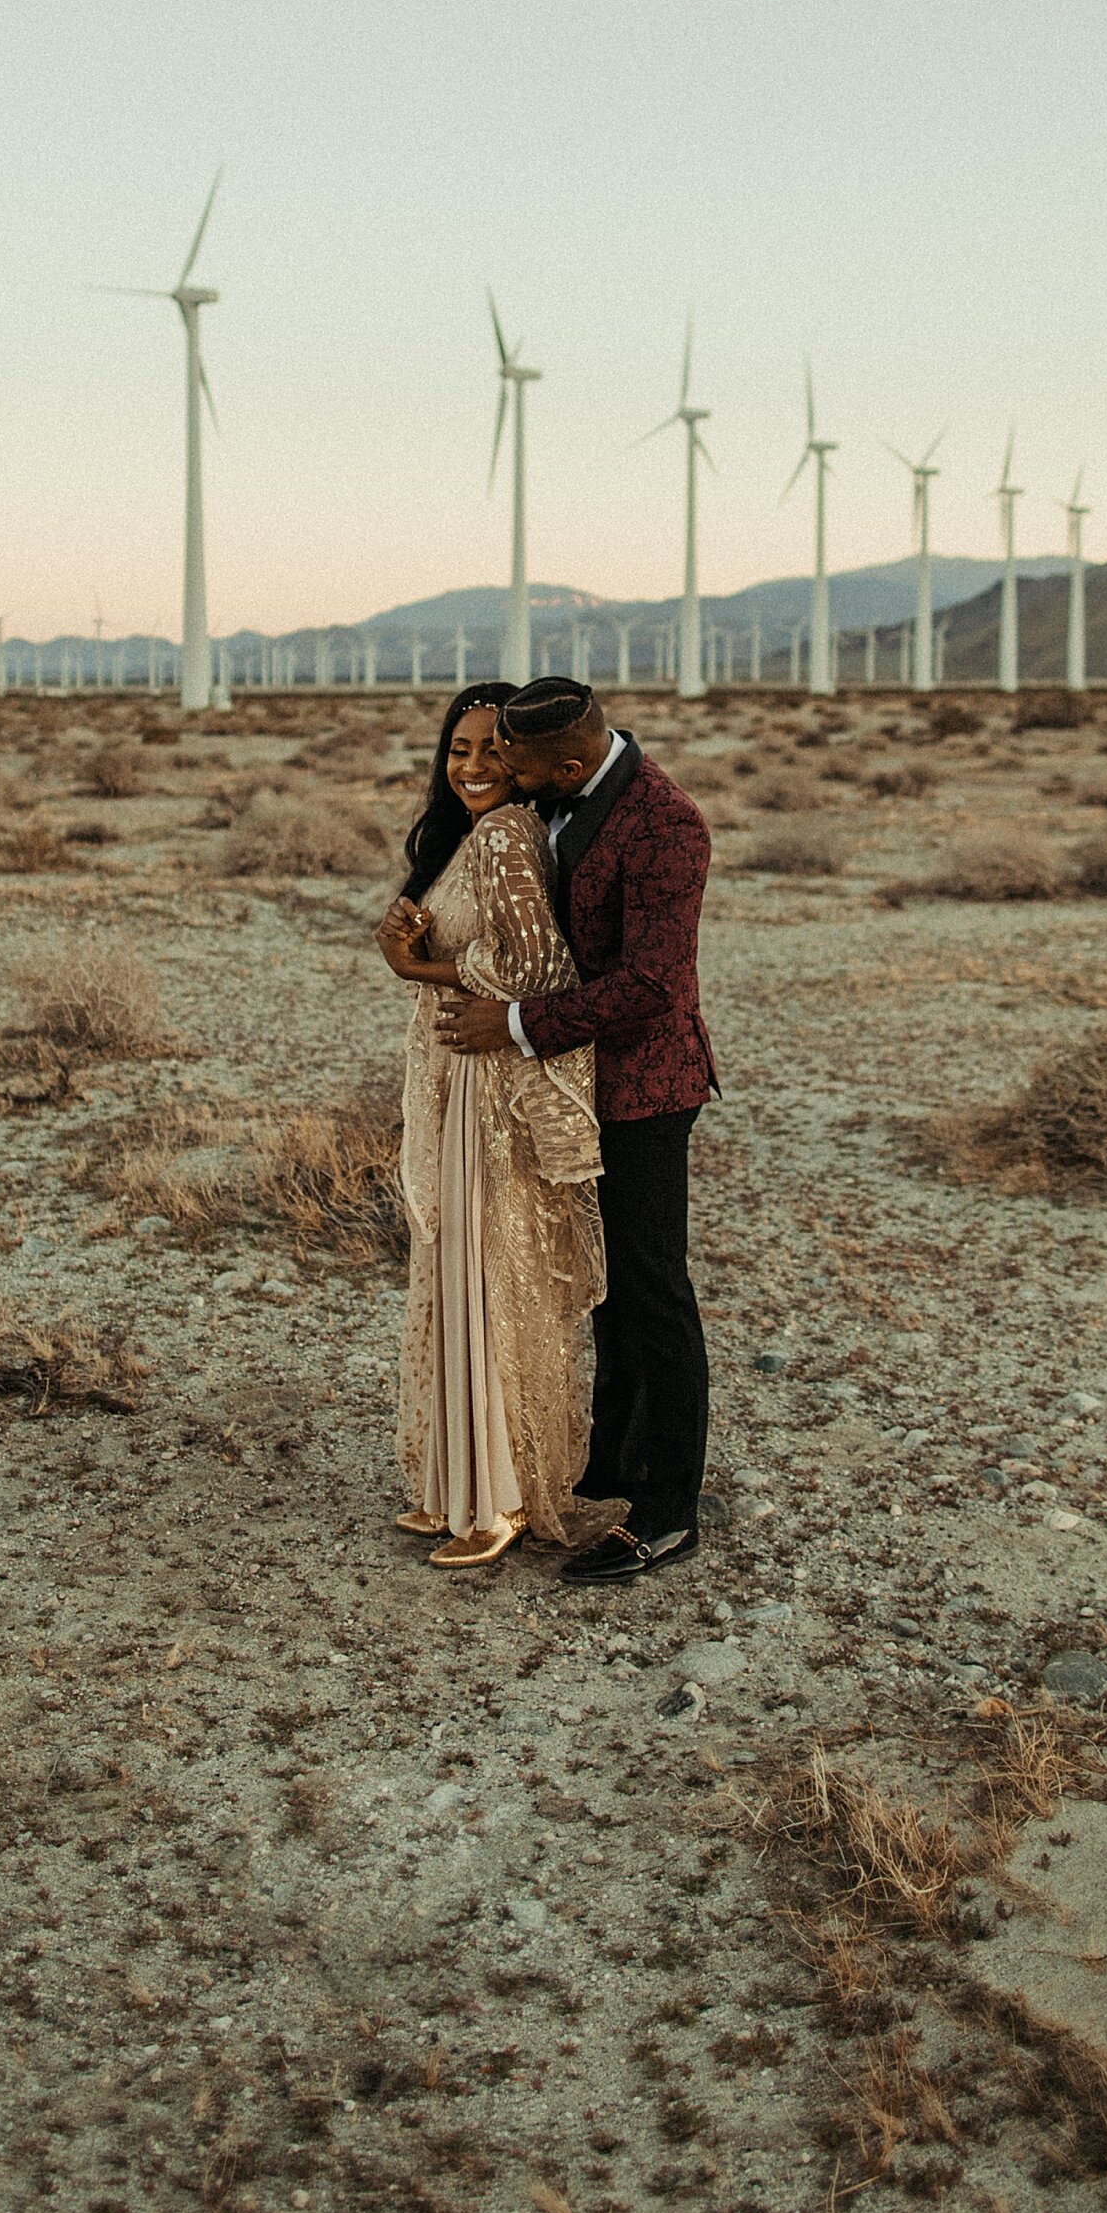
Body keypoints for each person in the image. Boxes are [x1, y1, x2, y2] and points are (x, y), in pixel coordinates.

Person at [425, 679, 718, 1588]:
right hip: (572, 1078)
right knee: (601, 1287)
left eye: (513, 759)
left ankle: (669, 1510)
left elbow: (651, 985)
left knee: (651, 1286)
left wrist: (510, 1024)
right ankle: (610, 1469)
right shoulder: (554, 793)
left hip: (642, 1087)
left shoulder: (665, 822)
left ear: (571, 762)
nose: (499, 770)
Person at [375, 687, 604, 1573]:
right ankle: (461, 1482)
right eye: (456, 750)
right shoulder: (478, 837)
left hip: (490, 1092)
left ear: (522, 760)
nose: (472, 767)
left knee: (487, 1279)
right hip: (463, 1081)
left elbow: (540, 968)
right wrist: (417, 932)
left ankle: (499, 1496)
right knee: (465, 1274)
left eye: (490, 751)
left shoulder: (508, 834)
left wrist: (416, 965)